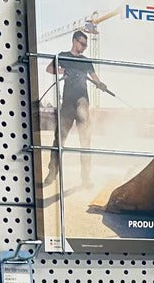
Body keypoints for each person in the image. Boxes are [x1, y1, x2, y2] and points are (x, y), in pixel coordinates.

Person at [43, 29, 113, 187]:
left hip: (82, 103)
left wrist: (100, 84)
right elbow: (49, 69)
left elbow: (95, 78)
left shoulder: (86, 61)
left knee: (85, 141)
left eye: (85, 45)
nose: (83, 47)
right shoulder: (63, 56)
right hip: (67, 104)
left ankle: (86, 178)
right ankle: (52, 173)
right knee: (58, 140)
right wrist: (63, 71)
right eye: (82, 44)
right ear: (74, 41)